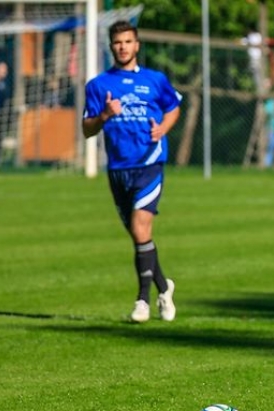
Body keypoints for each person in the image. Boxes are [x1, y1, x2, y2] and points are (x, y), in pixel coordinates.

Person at [82, 20, 181, 323]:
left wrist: (163, 128)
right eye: (117, 42)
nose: (123, 47)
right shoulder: (98, 86)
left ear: (137, 45)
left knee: (141, 229)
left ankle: (142, 301)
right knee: (140, 237)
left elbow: (173, 106)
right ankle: (164, 286)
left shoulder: (155, 80)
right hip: (118, 169)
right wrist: (104, 115)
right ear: (111, 46)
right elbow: (87, 130)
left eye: (128, 41)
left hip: (149, 164)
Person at [241, 24, 263, 93]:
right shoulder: (256, 36)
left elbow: (244, 42)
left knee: (256, 73)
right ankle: (258, 88)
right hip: (255, 57)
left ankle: (259, 89)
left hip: (256, 57)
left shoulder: (254, 36)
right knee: (256, 73)